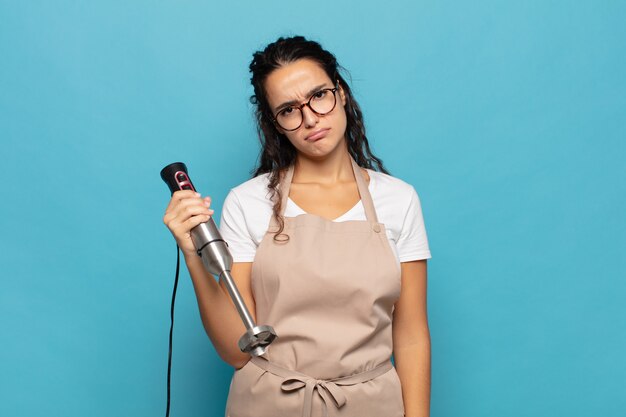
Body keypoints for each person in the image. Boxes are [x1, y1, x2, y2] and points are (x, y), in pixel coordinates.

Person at [163, 35, 432, 417]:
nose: (309, 119)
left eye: (319, 96)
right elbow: (234, 351)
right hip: (267, 403)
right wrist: (195, 258)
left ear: (340, 92)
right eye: (289, 109)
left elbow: (411, 337)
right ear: (275, 123)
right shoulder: (248, 202)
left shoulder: (399, 200)